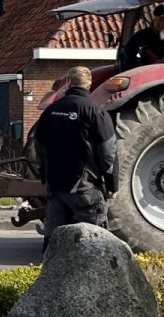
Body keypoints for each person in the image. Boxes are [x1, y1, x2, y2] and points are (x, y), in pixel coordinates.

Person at [31, 65, 118, 241]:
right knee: (92, 239)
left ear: (69, 82)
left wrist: (45, 175)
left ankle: (51, 257)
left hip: (56, 186)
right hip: (83, 187)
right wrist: (112, 185)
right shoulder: (95, 111)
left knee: (53, 238)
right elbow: (108, 152)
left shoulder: (50, 111)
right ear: (89, 84)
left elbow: (39, 146)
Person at [116, 4, 164, 70]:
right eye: (155, 20)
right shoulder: (143, 35)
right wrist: (135, 69)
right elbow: (129, 52)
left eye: (161, 20)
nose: (157, 24)